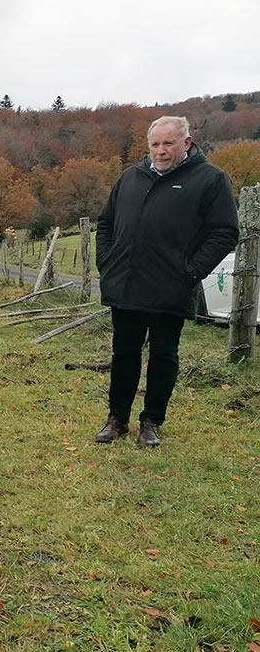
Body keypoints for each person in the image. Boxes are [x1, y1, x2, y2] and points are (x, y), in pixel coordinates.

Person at [94, 115, 239, 447]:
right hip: (126, 284)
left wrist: (189, 272)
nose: (161, 151)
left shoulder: (210, 179)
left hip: (170, 287)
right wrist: (108, 262)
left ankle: (151, 422)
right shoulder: (131, 177)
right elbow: (106, 223)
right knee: (124, 353)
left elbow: (224, 233)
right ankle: (117, 419)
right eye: (155, 144)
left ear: (186, 143)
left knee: (164, 354)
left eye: (168, 143)